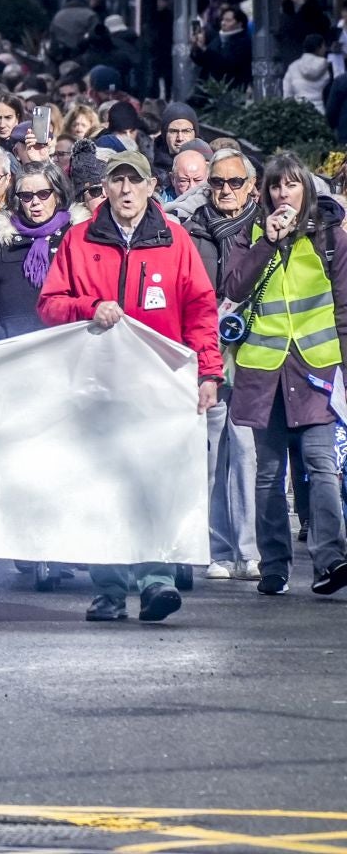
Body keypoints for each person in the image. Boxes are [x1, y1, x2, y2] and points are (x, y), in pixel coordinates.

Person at [38, 150, 222, 623]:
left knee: (154, 484)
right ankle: (109, 590)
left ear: (149, 187)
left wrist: (208, 373)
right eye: (116, 181)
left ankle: (156, 579)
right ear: (105, 189)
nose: (124, 190)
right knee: (101, 487)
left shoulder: (175, 240)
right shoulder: (79, 240)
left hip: (159, 386)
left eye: (133, 182)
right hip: (97, 384)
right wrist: (89, 307)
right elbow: (50, 304)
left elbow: (201, 310)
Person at [217, 151, 347, 598]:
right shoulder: (249, 236)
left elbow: (344, 310)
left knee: (321, 466)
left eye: (291, 185)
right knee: (269, 474)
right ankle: (275, 565)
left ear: (306, 190)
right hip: (264, 374)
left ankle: (331, 559)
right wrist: (267, 244)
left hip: (315, 372)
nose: (282, 193)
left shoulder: (330, 238)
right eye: (275, 186)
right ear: (266, 194)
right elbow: (233, 288)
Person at [186, 147, 261, 580]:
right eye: (217, 183)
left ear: (251, 186)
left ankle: (249, 551)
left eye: (235, 183)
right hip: (207, 351)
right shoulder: (193, 230)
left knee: (247, 450)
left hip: (252, 352)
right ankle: (215, 549)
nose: (225, 191)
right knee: (210, 451)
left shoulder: (262, 230)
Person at [0, 161, 71, 339]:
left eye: (44, 194)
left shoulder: (74, 237)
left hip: (64, 343)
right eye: (27, 196)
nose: (35, 202)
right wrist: (1, 340)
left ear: (59, 196)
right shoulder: (1, 240)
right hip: (13, 347)